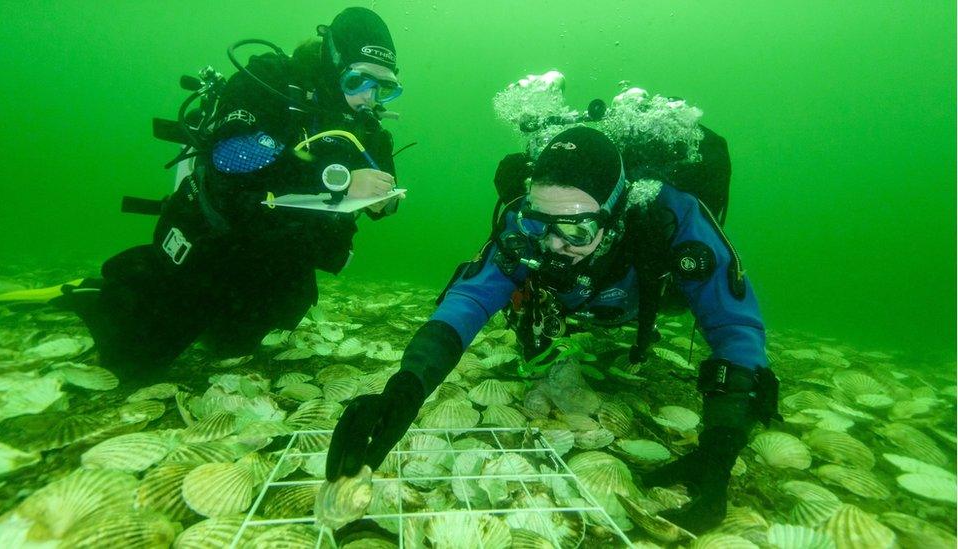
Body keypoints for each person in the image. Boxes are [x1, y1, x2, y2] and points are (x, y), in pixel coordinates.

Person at [325, 125, 780, 534]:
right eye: (540, 224)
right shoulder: (522, 227)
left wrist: (721, 446)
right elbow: (469, 299)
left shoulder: (672, 217)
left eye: (577, 230)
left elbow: (734, 322)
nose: (553, 246)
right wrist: (405, 389)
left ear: (617, 212)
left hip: (648, 295)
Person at [49, 7, 404, 377]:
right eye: (358, 81)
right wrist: (341, 180)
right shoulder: (267, 82)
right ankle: (106, 292)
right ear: (335, 64)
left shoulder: (369, 129)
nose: (369, 96)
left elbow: (384, 187)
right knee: (134, 359)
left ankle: (222, 316)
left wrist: (384, 202)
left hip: (282, 258)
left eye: (384, 87)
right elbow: (229, 157)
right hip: (216, 242)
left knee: (232, 346)